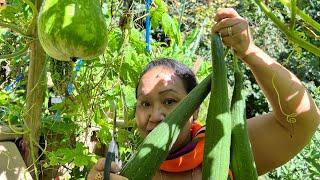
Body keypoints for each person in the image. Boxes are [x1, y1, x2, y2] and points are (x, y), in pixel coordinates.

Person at [88, 8, 320, 180]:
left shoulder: (223, 143)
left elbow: (300, 121)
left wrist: (249, 51)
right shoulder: (128, 170)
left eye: (170, 101)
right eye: (145, 104)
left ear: (195, 108)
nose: (155, 115)